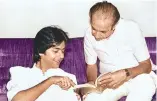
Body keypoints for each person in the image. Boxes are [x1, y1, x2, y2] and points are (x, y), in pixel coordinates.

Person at [83, 1, 156, 101]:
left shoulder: (131, 28)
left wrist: (125, 74)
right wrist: (91, 83)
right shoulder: (88, 34)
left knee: (145, 87)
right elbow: (91, 65)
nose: (96, 34)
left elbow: (147, 66)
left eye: (103, 31)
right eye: (94, 28)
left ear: (114, 27)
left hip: (137, 76)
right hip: (108, 79)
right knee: (90, 98)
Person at [7, 26, 80, 101]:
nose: (62, 56)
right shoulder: (21, 73)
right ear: (40, 51)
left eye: (63, 51)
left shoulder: (68, 77)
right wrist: (50, 80)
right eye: (55, 51)